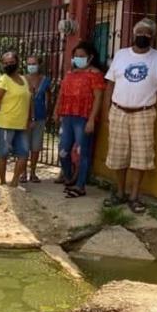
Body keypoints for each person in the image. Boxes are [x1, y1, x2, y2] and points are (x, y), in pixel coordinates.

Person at [104, 18, 157, 213]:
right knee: (118, 155)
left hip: (143, 113)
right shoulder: (121, 55)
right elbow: (110, 83)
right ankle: (120, 192)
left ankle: (134, 196)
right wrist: (107, 110)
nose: (142, 36)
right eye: (139, 32)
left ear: (152, 36)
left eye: (147, 33)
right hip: (118, 111)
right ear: (134, 34)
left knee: (141, 157)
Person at [53, 41, 106, 198]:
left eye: (82, 56)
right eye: (76, 56)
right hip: (67, 116)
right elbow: (62, 93)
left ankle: (80, 186)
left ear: (90, 57)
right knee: (63, 151)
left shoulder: (95, 74)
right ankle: (69, 178)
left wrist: (91, 120)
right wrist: (56, 110)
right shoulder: (70, 73)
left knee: (83, 152)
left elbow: (98, 98)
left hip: (83, 117)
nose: (78, 58)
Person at [0, 51, 32, 187]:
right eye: (6, 63)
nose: (9, 65)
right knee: (3, 153)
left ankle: (14, 181)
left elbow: (29, 101)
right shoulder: (4, 79)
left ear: (17, 62)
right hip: (5, 123)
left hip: (21, 124)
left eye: (11, 62)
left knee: (24, 153)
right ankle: (2, 182)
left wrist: (29, 119)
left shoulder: (24, 80)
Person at [22, 54, 51, 183]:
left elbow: (48, 98)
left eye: (34, 64)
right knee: (23, 146)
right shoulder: (22, 80)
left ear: (39, 65)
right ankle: (23, 173)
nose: (31, 66)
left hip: (40, 117)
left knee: (36, 146)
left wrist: (48, 113)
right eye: (29, 64)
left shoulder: (45, 80)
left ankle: (33, 172)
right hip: (24, 118)